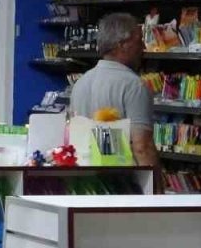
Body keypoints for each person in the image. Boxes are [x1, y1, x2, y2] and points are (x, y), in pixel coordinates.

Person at [68, 12, 159, 168]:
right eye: (139, 41)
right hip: (121, 180)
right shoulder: (134, 86)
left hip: (85, 176)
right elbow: (142, 147)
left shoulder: (81, 83)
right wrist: (156, 188)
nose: (143, 47)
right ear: (121, 44)